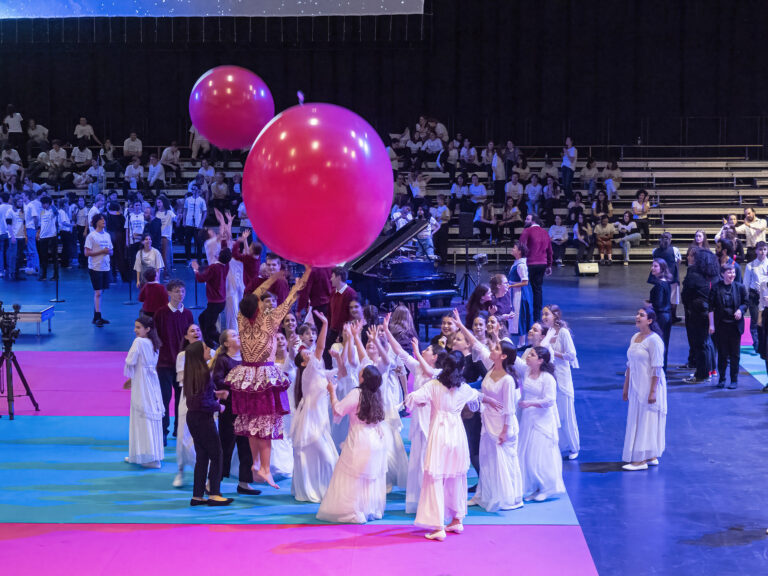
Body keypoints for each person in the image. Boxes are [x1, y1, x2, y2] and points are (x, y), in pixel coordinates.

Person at [226, 267, 312, 489]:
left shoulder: (241, 320)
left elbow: (252, 297)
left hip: (247, 375)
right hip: (264, 374)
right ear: (258, 307)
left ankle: (256, 463)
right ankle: (264, 467)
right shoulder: (270, 320)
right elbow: (290, 299)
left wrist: (271, 279)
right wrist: (301, 280)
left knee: (252, 424)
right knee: (265, 424)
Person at [406, 351, 502, 541]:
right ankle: (456, 519)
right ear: (461, 368)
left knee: (435, 478)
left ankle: (437, 525)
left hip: (440, 435)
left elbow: (413, 398)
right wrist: (492, 401)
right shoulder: (462, 387)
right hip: (457, 434)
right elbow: (479, 396)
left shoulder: (433, 385)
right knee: (456, 476)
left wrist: (419, 402)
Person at [382, 316, 444, 513]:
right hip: (418, 420)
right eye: (423, 350)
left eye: (427, 350)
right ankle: (418, 500)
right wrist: (386, 330)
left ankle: (433, 499)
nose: (423, 351)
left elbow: (430, 373)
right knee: (417, 458)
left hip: (432, 421)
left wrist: (417, 351)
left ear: (434, 357)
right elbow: (399, 352)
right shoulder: (417, 367)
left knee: (429, 458)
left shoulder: (439, 372)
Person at [316, 365, 388, 523]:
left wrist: (332, 391)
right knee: (370, 476)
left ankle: (354, 511)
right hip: (376, 437)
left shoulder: (357, 393)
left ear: (363, 378)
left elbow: (338, 410)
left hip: (360, 437)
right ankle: (370, 509)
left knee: (353, 475)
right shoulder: (376, 393)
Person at [469, 340, 524, 512]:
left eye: (497, 348)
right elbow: (477, 344)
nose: (492, 349)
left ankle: (508, 498)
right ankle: (484, 495)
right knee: (487, 459)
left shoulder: (508, 380)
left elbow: (509, 408)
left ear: (504, 356)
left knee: (504, 461)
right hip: (488, 422)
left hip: (502, 425)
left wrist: (505, 431)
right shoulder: (491, 368)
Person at [291, 310, 340, 502]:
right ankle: (319, 490)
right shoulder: (309, 371)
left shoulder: (318, 372)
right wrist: (325, 324)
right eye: (306, 353)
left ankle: (323, 489)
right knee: (328, 458)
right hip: (311, 423)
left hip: (320, 421)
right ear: (303, 362)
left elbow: (338, 372)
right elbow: (319, 347)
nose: (310, 352)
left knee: (324, 458)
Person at [183, 341, 234, 507]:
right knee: (217, 455)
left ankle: (197, 495)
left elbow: (201, 395)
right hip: (203, 419)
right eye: (205, 348)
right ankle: (214, 493)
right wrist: (219, 405)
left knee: (202, 456)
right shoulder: (203, 373)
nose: (209, 350)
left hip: (193, 418)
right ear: (199, 354)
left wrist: (216, 394)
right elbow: (203, 402)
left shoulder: (193, 373)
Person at [211, 330, 260, 495]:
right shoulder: (223, 360)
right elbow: (217, 380)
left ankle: (244, 482)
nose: (238, 336)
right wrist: (237, 384)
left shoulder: (247, 359)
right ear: (226, 343)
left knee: (246, 446)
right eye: (233, 335)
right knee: (226, 445)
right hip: (230, 409)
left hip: (247, 409)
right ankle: (214, 481)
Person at [622, 308, 667, 471]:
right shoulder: (635, 338)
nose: (637, 317)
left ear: (650, 320)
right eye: (637, 314)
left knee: (647, 419)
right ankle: (650, 455)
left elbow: (657, 368)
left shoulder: (654, 341)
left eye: (641, 315)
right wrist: (626, 387)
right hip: (637, 386)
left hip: (648, 386)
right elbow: (630, 365)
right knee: (639, 418)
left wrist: (653, 391)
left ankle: (640, 460)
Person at [519, 346, 565, 501]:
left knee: (541, 453)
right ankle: (535, 486)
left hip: (542, 420)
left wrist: (530, 403)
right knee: (529, 454)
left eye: (531, 355)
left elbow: (549, 400)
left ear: (540, 360)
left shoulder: (547, 378)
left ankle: (548, 487)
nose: (528, 357)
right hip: (528, 418)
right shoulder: (526, 372)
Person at [123, 315, 165, 469]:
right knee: (151, 417)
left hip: (142, 383)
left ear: (147, 329)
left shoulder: (139, 342)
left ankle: (147, 457)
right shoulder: (154, 343)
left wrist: (131, 379)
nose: (135, 330)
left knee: (141, 416)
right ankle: (146, 455)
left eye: (138, 327)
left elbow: (130, 361)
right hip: (152, 383)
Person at [541, 305, 580, 459]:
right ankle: (557, 445)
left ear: (555, 316)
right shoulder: (546, 333)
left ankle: (573, 446)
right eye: (543, 314)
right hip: (549, 379)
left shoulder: (563, 333)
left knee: (566, 414)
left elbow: (571, 355)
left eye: (546, 314)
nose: (544, 317)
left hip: (562, 378)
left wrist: (552, 353)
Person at [682, 249, 720, 383]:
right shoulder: (715, 276)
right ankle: (710, 370)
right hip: (712, 313)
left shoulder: (693, 275)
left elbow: (686, 295)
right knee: (708, 343)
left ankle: (702, 374)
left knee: (700, 344)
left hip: (697, 314)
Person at [708, 262, 748, 389]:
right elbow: (710, 307)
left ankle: (734, 380)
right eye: (729, 272)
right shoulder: (715, 287)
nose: (732, 275)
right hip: (721, 326)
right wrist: (712, 325)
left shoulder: (740, 287)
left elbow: (745, 303)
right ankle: (722, 378)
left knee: (735, 355)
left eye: (733, 272)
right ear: (722, 274)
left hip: (735, 327)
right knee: (723, 354)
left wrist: (740, 310)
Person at [191, 247, 231, 349]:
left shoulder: (214, 267)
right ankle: (209, 343)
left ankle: (225, 344)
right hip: (220, 301)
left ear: (219, 255)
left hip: (214, 302)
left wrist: (195, 269)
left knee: (210, 329)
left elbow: (200, 278)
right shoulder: (225, 266)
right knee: (202, 318)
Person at [520, 214, 552, 323]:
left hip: (529, 264)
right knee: (537, 290)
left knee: (522, 288)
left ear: (533, 221)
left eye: (527, 219)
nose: (525, 220)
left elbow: (521, 247)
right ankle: (537, 318)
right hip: (542, 264)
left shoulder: (527, 231)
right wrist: (549, 265)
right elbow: (549, 250)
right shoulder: (545, 232)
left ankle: (523, 316)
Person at [84, 213, 113, 327]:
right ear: (96, 222)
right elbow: (87, 253)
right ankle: (98, 317)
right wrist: (101, 251)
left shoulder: (107, 235)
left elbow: (111, 251)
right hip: (95, 267)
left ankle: (96, 316)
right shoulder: (91, 236)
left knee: (100, 292)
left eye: (104, 220)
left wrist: (108, 251)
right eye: (101, 220)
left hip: (105, 266)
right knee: (98, 292)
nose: (103, 221)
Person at [648, 259, 673, 371]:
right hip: (667, 316)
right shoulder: (666, 282)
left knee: (659, 344)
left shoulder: (659, 285)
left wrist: (649, 305)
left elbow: (657, 304)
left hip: (660, 317)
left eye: (655, 266)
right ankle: (663, 369)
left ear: (661, 268)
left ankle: (659, 371)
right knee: (664, 344)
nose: (652, 268)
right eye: (652, 266)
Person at [744, 241, 768, 353]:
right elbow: (746, 284)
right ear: (756, 250)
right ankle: (756, 343)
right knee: (755, 321)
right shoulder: (750, 266)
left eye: (764, 249)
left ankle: (763, 343)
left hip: (767, 297)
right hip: (754, 297)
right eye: (760, 249)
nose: (762, 252)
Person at [509, 241, 533, 347]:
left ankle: (522, 343)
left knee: (520, 316)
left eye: (514, 248)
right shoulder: (517, 262)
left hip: (520, 294)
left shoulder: (521, 265)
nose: (512, 249)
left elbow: (525, 282)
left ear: (519, 251)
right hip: (516, 292)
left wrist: (510, 286)